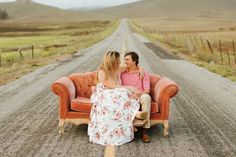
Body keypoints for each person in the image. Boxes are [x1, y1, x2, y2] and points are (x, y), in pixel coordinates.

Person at [88, 51, 142, 146]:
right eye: (118, 59)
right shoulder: (102, 71)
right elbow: (110, 86)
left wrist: (140, 69)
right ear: (112, 60)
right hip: (104, 93)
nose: (120, 61)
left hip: (115, 92)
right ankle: (134, 115)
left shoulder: (117, 69)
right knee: (122, 92)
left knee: (122, 92)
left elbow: (132, 66)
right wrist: (128, 87)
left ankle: (133, 115)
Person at [121, 51, 152, 143]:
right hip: (126, 95)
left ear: (134, 61)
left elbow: (147, 90)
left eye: (127, 60)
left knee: (146, 97)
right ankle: (130, 129)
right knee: (120, 100)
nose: (125, 61)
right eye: (124, 59)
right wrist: (129, 95)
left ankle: (145, 130)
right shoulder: (122, 73)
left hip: (140, 94)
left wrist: (137, 94)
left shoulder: (143, 73)